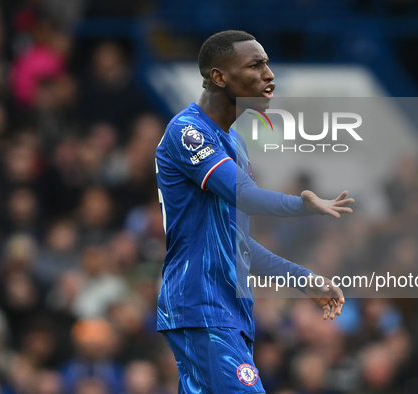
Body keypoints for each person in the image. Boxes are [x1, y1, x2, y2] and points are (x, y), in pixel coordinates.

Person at [155, 30, 354, 393]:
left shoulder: (235, 143)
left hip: (227, 309)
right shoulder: (187, 132)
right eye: (255, 64)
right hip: (201, 303)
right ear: (219, 77)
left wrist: (302, 278)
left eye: (267, 63)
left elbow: (235, 243)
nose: (269, 74)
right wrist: (299, 205)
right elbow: (244, 195)